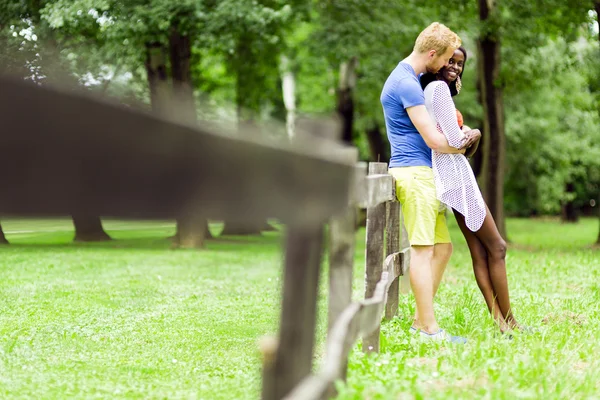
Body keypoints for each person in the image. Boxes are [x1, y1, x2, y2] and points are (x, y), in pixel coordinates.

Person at [381, 22, 479, 343]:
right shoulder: (406, 84)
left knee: (444, 248)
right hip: (415, 174)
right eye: (447, 59)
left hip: (425, 173)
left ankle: (420, 319)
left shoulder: (410, 78)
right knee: (423, 252)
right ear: (432, 53)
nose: (448, 66)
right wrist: (465, 142)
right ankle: (428, 329)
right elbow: (435, 140)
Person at [419, 47, 523, 334]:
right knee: (498, 248)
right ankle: (509, 320)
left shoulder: (430, 90)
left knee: (480, 252)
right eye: (450, 61)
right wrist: (475, 133)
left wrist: (468, 138)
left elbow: (454, 142)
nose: (455, 67)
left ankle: (500, 323)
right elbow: (456, 141)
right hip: (455, 175)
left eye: (460, 63)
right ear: (437, 60)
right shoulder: (438, 89)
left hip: (451, 176)